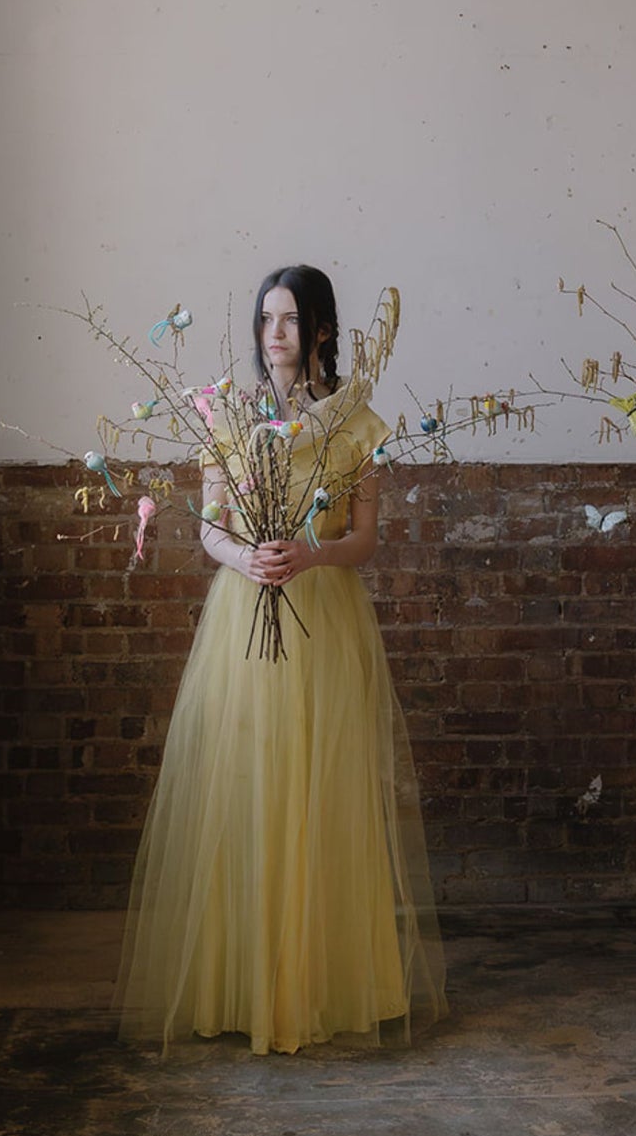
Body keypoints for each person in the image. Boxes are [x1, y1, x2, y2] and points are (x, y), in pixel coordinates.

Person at [115, 264, 446, 1054]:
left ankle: (323, 985)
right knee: (249, 783)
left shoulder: (354, 423)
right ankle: (243, 984)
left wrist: (309, 552)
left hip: (322, 615)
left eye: (291, 320)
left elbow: (364, 540)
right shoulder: (228, 416)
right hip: (244, 616)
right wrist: (246, 560)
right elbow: (210, 527)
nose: (274, 334)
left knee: (321, 788)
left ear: (323, 329)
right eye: (267, 318)